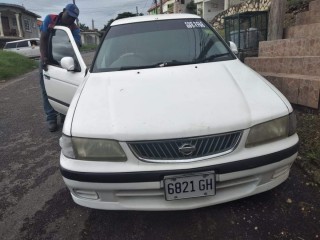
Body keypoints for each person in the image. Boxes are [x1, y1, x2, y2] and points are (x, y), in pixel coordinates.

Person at [39, 3, 81, 132]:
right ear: (63, 12)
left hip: (62, 60)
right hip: (48, 59)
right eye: (69, 16)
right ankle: (51, 118)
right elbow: (43, 39)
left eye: (74, 18)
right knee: (47, 90)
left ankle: (63, 114)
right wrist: (44, 57)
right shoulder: (50, 19)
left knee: (62, 88)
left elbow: (77, 45)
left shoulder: (73, 28)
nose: (71, 20)